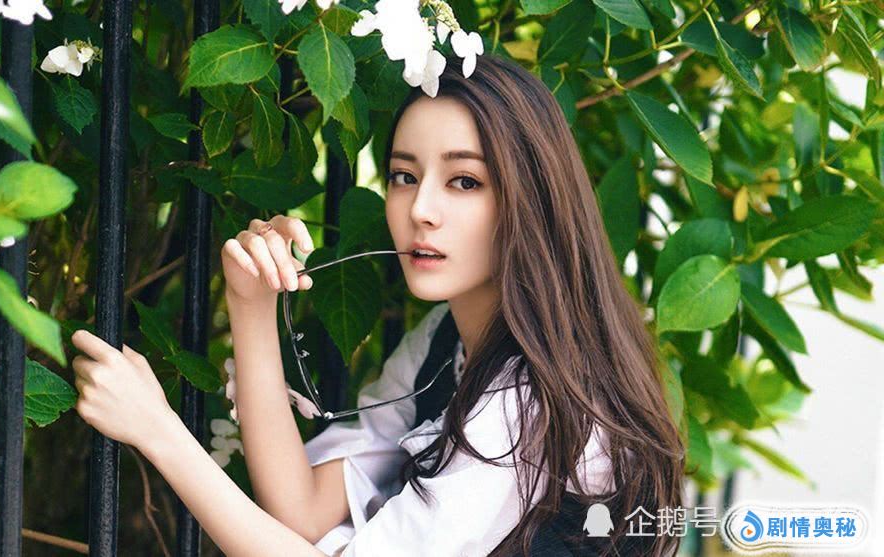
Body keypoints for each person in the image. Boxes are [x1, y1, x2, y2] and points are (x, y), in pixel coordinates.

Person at [70, 53, 685, 556]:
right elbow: (303, 510)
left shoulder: (529, 398)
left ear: (531, 198)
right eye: (403, 176)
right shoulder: (445, 338)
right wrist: (251, 304)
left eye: (465, 181)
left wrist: (160, 432)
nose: (421, 209)